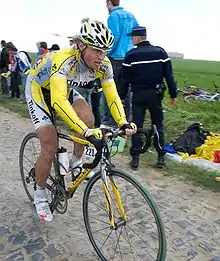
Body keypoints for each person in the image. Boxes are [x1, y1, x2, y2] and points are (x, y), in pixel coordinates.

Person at [26, 18, 137, 222]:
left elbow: (112, 95)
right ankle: (40, 193)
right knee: (50, 146)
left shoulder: (104, 64)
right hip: (39, 90)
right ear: (81, 45)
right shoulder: (64, 59)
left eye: (105, 51)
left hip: (63, 89)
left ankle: (77, 161)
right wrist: (85, 132)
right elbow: (58, 101)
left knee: (88, 118)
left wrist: (122, 122)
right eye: (96, 50)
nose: (101, 56)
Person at [120, 26, 177, 170]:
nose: (132, 39)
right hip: (155, 96)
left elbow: (125, 79)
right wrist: (173, 94)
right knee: (158, 126)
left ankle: (135, 159)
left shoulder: (131, 55)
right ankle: (161, 158)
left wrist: (120, 97)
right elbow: (169, 76)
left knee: (136, 127)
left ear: (139, 37)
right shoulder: (160, 52)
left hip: (138, 95)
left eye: (133, 36)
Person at [103, 0, 138, 126]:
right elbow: (136, 31)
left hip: (116, 58)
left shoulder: (113, 16)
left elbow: (114, 36)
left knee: (109, 88)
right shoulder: (130, 15)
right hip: (129, 57)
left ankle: (110, 120)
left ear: (108, 2)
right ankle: (127, 119)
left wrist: (106, 54)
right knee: (127, 90)